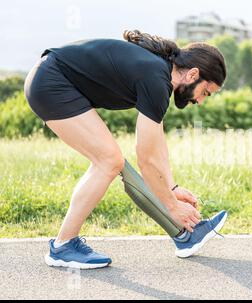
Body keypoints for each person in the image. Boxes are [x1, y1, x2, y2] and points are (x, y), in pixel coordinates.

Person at [23, 30, 228, 269]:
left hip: (52, 79)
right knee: (109, 161)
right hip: (51, 82)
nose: (201, 101)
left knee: (112, 161)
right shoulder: (156, 77)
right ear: (193, 74)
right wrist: (172, 206)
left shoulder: (159, 73)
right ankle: (63, 246)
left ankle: (183, 236)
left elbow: (156, 147)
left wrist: (172, 189)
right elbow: (146, 159)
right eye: (205, 92)